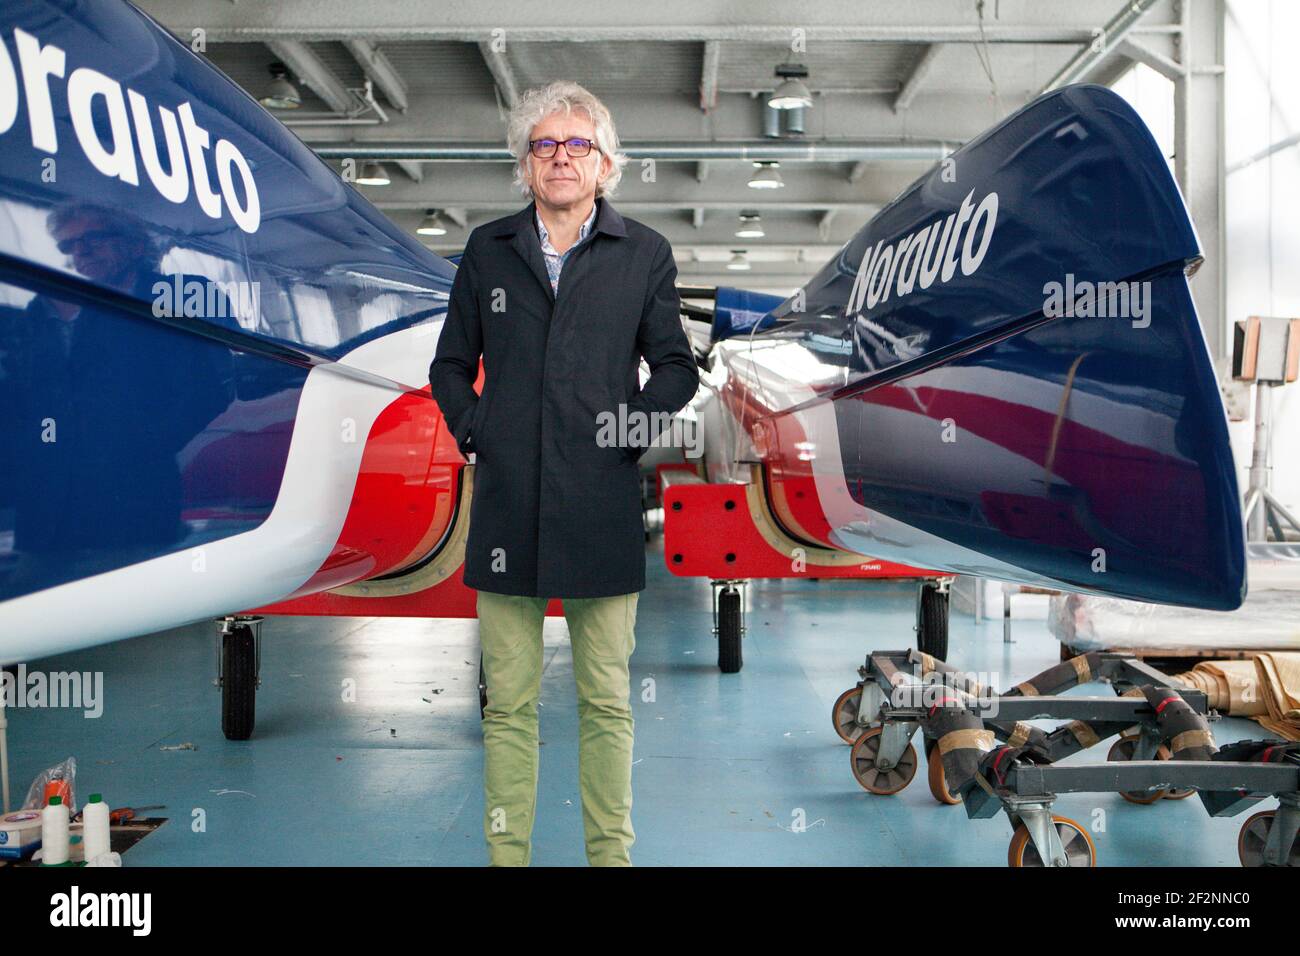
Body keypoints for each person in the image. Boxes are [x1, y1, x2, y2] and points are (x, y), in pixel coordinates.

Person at [429, 81, 699, 866]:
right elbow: (450, 364)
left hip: (598, 503)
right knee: (507, 707)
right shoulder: (489, 250)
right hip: (509, 506)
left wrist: (627, 434)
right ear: (524, 164)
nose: (560, 158)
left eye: (577, 145)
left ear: (605, 163)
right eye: (544, 145)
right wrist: (479, 426)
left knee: (606, 703)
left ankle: (608, 858)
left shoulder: (642, 253)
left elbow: (676, 368)